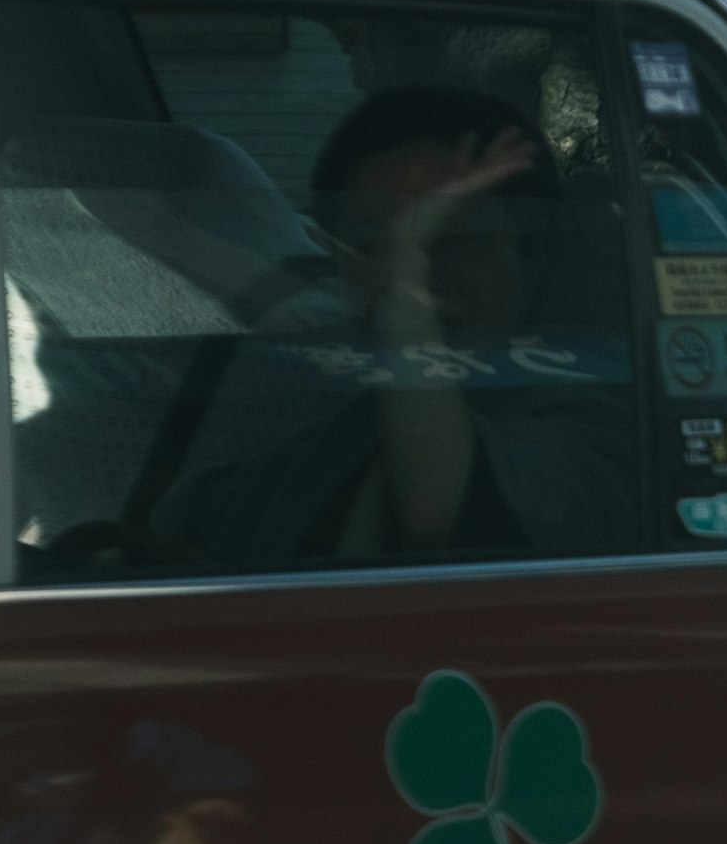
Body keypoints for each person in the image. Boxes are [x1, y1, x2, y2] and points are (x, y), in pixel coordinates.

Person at [153, 87, 634, 566]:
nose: (422, 275)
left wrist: (403, 272)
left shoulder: (602, 424)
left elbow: (436, 515)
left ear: (530, 259)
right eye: (374, 248)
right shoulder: (329, 437)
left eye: (459, 238)